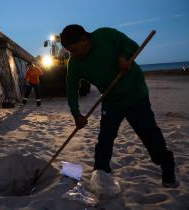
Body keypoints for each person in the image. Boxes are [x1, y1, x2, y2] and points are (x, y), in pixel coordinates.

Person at [60, 24, 179, 188]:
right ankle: (101, 175)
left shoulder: (106, 35)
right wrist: (76, 114)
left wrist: (123, 57)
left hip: (135, 94)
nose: (72, 54)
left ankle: (167, 167)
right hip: (111, 100)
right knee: (105, 139)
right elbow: (71, 89)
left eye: (73, 49)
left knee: (148, 133)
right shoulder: (74, 63)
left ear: (84, 39)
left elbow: (132, 46)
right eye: (69, 51)